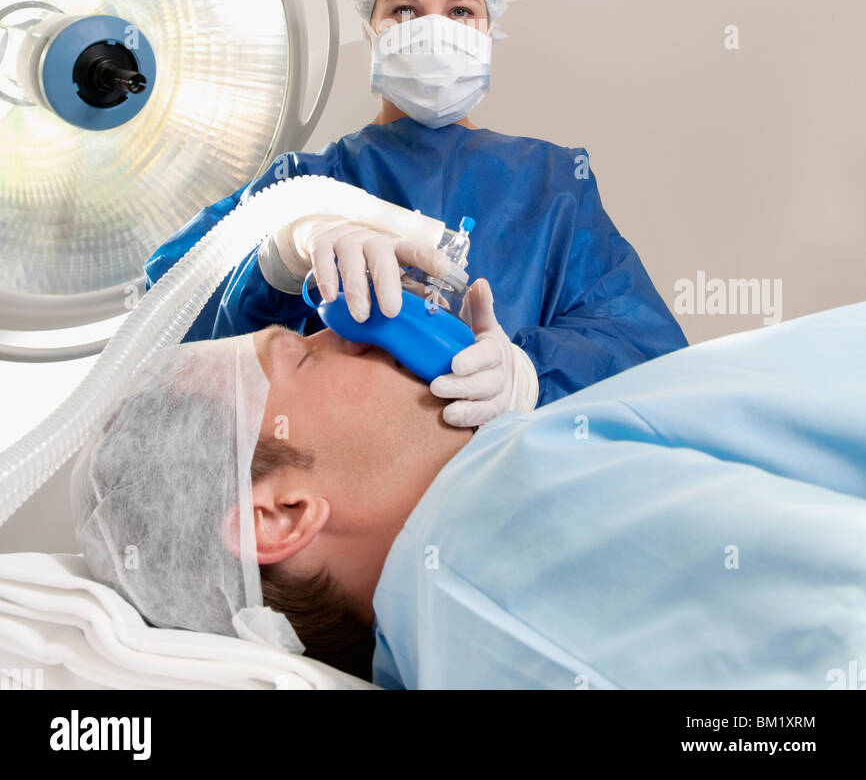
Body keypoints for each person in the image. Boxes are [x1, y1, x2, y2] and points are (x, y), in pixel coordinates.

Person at [71, 287, 866, 688]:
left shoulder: (510, 491)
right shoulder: (484, 547)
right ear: (281, 514)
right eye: (305, 356)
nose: (354, 328)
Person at [143, 0, 686, 425]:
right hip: (332, 499)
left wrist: (528, 377)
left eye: (459, 12)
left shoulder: (552, 183)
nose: (432, 30)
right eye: (404, 10)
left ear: (489, 31)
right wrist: (276, 261)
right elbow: (159, 326)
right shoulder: (301, 187)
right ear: (371, 30)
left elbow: (645, 348)